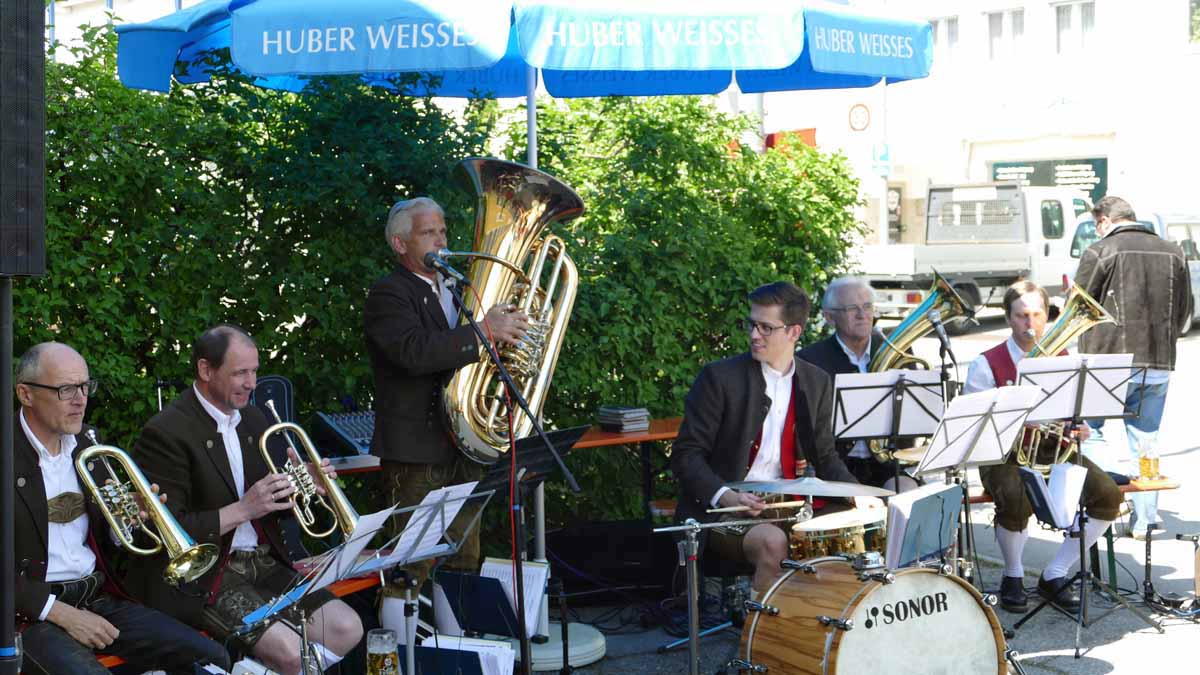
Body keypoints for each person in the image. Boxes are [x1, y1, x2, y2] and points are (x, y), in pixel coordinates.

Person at [127, 325, 363, 675]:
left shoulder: (255, 419)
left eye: (255, 371)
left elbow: (279, 510)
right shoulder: (166, 432)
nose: (252, 383)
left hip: (264, 562)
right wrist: (243, 509)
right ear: (206, 370)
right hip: (208, 574)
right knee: (292, 655)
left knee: (347, 628)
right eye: (240, 372)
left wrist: (305, 488)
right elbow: (166, 531)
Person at [13, 342, 230, 675]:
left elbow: (109, 540)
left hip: (95, 596)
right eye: (66, 389)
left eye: (85, 386)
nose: (81, 399)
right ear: (26, 394)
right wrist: (57, 612)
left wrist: (129, 519)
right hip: (26, 613)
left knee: (211, 657)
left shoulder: (88, 442)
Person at [363, 197, 528, 632]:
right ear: (400, 243)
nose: (442, 239)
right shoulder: (389, 292)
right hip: (417, 448)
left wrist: (507, 339)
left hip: (462, 444)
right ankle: (396, 655)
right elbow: (413, 352)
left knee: (463, 557)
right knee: (412, 561)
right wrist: (483, 332)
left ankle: (460, 651)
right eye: (428, 233)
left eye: (442, 230)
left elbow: (471, 355)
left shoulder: (455, 288)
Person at [671, 282, 882, 595]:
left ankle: (825, 628)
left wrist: (856, 494)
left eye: (766, 328)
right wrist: (726, 495)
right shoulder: (719, 378)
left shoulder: (816, 381)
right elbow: (685, 455)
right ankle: (764, 638)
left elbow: (825, 456)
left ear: (794, 333)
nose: (755, 335)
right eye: (752, 324)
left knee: (861, 527)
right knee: (773, 542)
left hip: (791, 506)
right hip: (723, 512)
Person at [962, 281, 1122, 612]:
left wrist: (1080, 427)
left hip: (1054, 448)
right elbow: (975, 425)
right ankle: (1013, 575)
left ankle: (1055, 573)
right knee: (1016, 497)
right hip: (1003, 454)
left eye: (1037, 315)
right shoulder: (985, 363)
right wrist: (1017, 420)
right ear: (1008, 318)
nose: (1030, 324)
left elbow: (1076, 409)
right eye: (1021, 316)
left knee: (1108, 494)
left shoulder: (1067, 360)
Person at [1074, 195, 1192, 540]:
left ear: (1104, 221)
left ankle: (1108, 504)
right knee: (1145, 439)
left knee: (1091, 430)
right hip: (1158, 360)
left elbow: (1078, 308)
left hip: (1107, 361)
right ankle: (1146, 521)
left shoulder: (1101, 250)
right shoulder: (1174, 252)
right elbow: (1186, 311)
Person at [798, 276, 918, 491]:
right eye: (852, 308)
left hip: (888, 463)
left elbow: (913, 415)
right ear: (829, 317)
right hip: (836, 466)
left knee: (910, 498)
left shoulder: (897, 350)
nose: (862, 315)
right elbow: (810, 432)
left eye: (867, 306)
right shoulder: (810, 360)